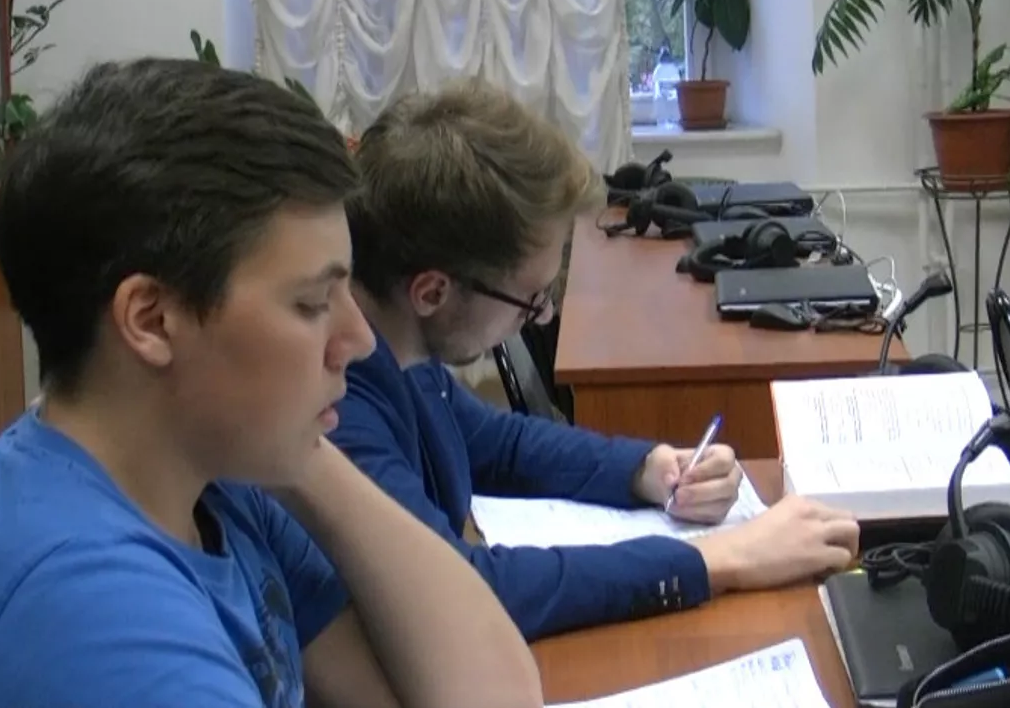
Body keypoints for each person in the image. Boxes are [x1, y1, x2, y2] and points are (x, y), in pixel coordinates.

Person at [0, 59, 541, 708]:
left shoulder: (207, 482)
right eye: (311, 303)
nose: (359, 341)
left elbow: (492, 696)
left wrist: (303, 457)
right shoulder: (85, 599)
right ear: (152, 320)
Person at [327, 81, 861, 641]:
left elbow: (499, 445)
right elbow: (464, 591)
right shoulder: (336, 409)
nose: (541, 316)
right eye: (531, 298)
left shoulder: (400, 348)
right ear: (432, 292)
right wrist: (719, 559)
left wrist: (648, 468)